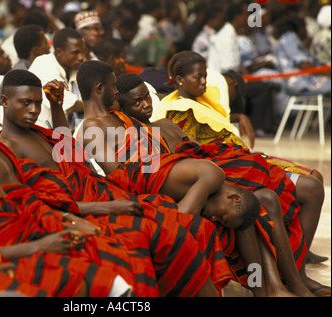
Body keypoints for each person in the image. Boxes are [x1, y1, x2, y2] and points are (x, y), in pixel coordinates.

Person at [0, 69, 230, 297]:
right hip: (86, 209)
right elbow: (40, 203)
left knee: (199, 227)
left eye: (38, 103)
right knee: (161, 235)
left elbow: (66, 149)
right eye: (26, 103)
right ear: (5, 101)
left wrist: (56, 105)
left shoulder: (38, 132)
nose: (34, 110)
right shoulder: (7, 148)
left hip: (102, 192)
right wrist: (109, 207)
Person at [114, 72, 326, 297]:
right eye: (137, 102)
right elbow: (157, 177)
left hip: (207, 175)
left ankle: (290, 281)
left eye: (147, 97)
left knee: (270, 196)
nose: (146, 104)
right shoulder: (136, 135)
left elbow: (197, 150)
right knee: (263, 200)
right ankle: (271, 287)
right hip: (193, 188)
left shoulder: (163, 123)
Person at [0, 86, 134, 297]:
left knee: (121, 254)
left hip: (34, 230)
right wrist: (39, 245)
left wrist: (64, 221)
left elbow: (24, 202)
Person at [29, 27, 85, 130]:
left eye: (82, 52)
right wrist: (95, 106)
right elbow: (70, 104)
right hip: (41, 131)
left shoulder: (74, 69)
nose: (81, 57)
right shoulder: (44, 62)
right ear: (59, 52)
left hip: (64, 132)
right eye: (75, 53)